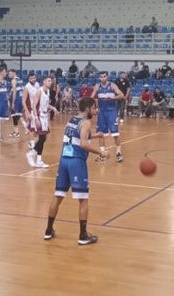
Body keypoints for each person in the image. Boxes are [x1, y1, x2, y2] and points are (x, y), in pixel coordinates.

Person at [43, 97, 108, 245]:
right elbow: (84, 144)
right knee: (83, 199)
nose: (96, 110)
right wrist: (101, 152)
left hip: (64, 161)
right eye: (94, 108)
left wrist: (96, 135)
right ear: (88, 108)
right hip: (76, 163)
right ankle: (83, 235)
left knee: (58, 196)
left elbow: (77, 137)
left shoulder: (72, 120)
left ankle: (48, 230)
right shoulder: (86, 122)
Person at [91, 72, 125, 163]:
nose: (103, 78)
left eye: (104, 76)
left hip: (111, 112)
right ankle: (102, 154)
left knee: (115, 133)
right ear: (99, 78)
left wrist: (114, 98)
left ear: (107, 77)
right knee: (101, 133)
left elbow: (121, 95)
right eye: (101, 77)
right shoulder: (97, 86)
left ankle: (118, 153)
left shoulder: (112, 85)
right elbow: (91, 97)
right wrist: (93, 107)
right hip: (102, 112)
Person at [26, 76, 58, 168]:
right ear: (44, 81)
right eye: (49, 81)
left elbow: (46, 104)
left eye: (51, 81)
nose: (50, 82)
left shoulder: (48, 91)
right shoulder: (39, 91)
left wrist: (53, 108)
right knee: (42, 137)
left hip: (44, 116)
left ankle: (33, 153)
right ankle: (38, 160)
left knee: (44, 138)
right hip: (38, 115)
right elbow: (33, 105)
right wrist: (36, 118)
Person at [22, 73, 40, 153]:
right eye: (31, 78)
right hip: (30, 110)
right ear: (28, 79)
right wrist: (27, 112)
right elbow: (23, 101)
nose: (33, 79)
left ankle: (27, 126)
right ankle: (32, 143)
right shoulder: (27, 87)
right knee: (32, 128)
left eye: (34, 78)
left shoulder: (37, 84)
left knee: (37, 128)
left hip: (37, 109)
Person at [8, 69, 25, 138]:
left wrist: (13, 102)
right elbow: (22, 90)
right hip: (20, 99)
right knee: (18, 115)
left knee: (15, 116)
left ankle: (19, 131)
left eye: (10, 74)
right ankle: (17, 131)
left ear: (13, 73)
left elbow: (14, 91)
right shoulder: (20, 80)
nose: (9, 75)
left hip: (16, 100)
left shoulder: (13, 80)